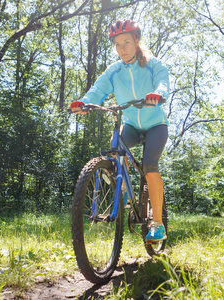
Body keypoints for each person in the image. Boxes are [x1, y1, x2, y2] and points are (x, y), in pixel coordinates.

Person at [69, 19, 169, 243]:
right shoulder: (114, 71)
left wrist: (158, 94)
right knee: (114, 151)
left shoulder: (153, 64)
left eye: (126, 42)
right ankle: (121, 190)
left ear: (136, 40)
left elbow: (163, 82)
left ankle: (158, 224)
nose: (122, 49)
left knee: (149, 165)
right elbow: (97, 90)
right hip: (132, 124)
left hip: (155, 124)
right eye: (117, 44)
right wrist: (84, 103)